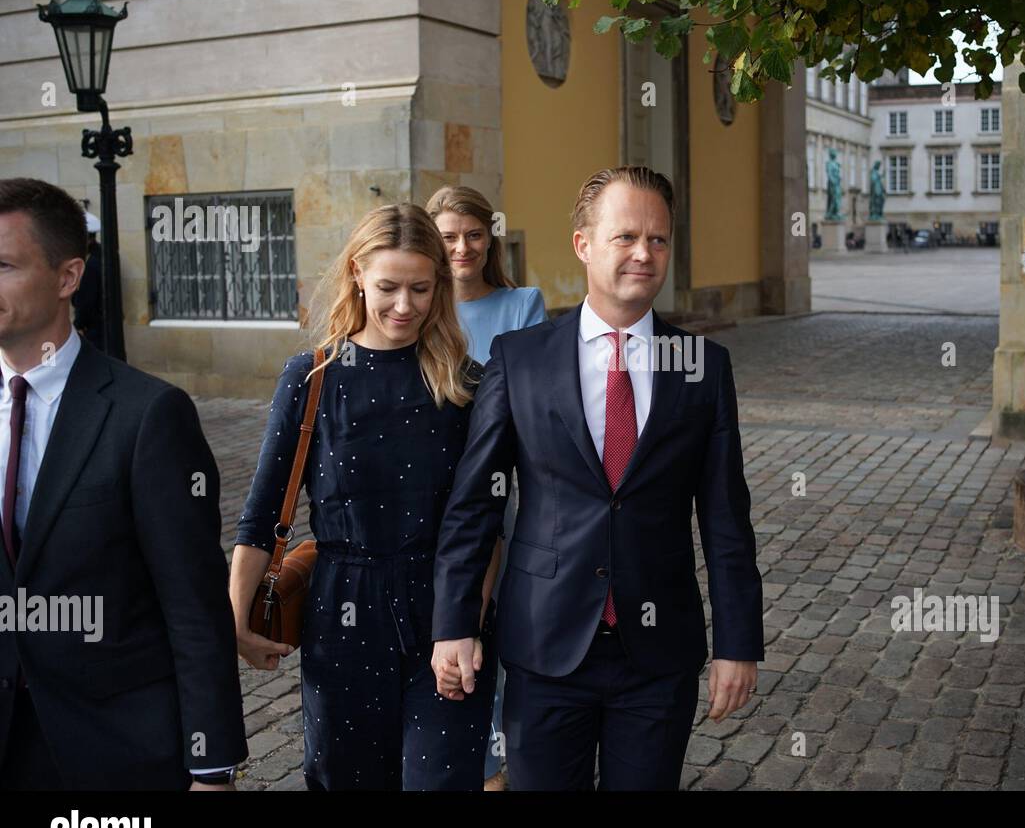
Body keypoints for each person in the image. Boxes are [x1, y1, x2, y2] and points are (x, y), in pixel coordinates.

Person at [431, 165, 764, 790]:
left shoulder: (704, 369)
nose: (645, 253)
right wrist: (454, 623)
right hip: (543, 645)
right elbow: (474, 502)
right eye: (626, 237)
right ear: (583, 245)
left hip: (658, 653)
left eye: (659, 239)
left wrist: (737, 643)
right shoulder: (520, 358)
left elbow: (725, 518)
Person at [230, 203, 496, 790]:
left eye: (421, 288)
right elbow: (262, 511)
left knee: (443, 781)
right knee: (347, 780)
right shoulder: (312, 375)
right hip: (342, 610)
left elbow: (485, 520)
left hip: (445, 605)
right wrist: (237, 619)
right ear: (356, 273)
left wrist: (472, 620)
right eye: (388, 287)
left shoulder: (467, 383)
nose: (405, 306)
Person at [0, 178, 246, 790]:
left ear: (67, 277)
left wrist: (211, 766)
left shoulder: (146, 415)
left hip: (113, 749)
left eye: (2, 265)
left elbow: (193, 603)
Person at [427, 185, 545, 790]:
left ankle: (494, 769)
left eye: (473, 234)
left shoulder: (522, 303)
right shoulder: (420, 307)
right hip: (426, 483)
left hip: (498, 483)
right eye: (448, 237)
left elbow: (527, 399)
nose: (462, 248)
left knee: (488, 615)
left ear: (489, 237)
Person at [70, 210, 102, 351]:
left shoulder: (90, 264)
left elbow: (86, 299)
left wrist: (79, 324)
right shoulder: (102, 255)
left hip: (94, 328)